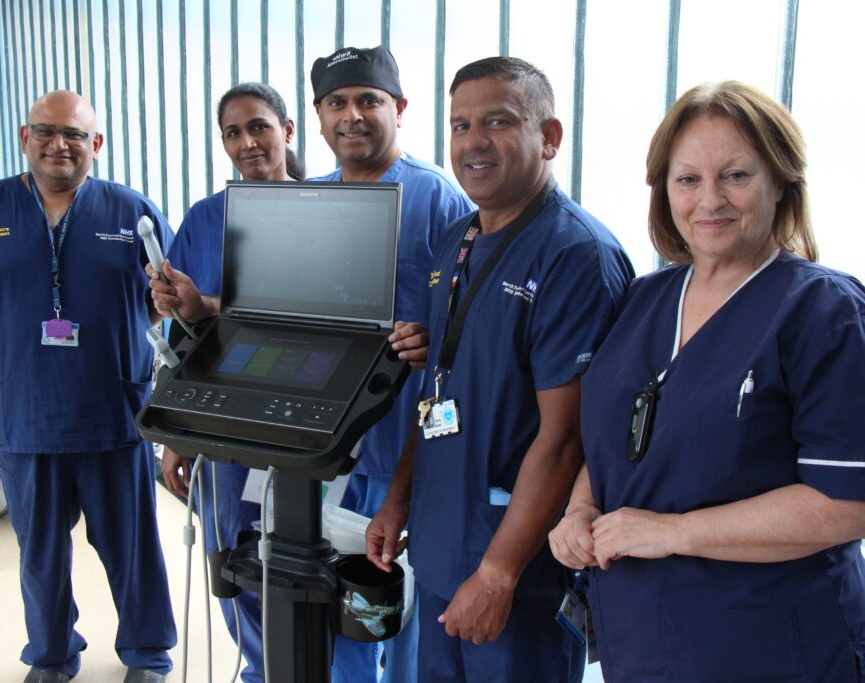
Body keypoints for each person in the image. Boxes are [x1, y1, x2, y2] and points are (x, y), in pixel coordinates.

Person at [548, 81, 865, 682]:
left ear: (781, 182)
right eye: (687, 179)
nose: (709, 200)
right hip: (641, 642)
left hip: (768, 647)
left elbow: (846, 503)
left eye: (736, 176)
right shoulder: (646, 298)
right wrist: (580, 509)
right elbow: (619, 435)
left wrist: (672, 533)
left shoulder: (823, 310)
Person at [366, 57, 634, 683]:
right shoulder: (456, 242)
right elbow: (438, 386)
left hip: (517, 572)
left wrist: (498, 573)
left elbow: (565, 439)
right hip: (441, 547)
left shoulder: (575, 257)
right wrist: (398, 499)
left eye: (497, 121)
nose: (473, 141)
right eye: (460, 125)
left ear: (550, 137)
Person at [0, 91, 176, 683]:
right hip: (25, 411)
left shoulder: (130, 211)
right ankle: (52, 654)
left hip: (111, 408)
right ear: (24, 137)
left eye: (74, 135)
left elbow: (166, 295)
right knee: (40, 554)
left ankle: (147, 654)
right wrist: (4, 323)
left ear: (96, 145)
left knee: (131, 546)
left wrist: (129, 326)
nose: (59, 144)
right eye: (46, 131)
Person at [309, 45, 475, 683]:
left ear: (399, 109)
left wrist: (431, 339)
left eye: (368, 100)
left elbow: (464, 322)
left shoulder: (439, 202)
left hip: (406, 450)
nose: (352, 115)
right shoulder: (312, 201)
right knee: (337, 600)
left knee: (406, 606)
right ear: (319, 117)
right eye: (337, 102)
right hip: (328, 448)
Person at [151, 82, 305, 683]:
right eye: (233, 133)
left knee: (301, 561)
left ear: (287, 132)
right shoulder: (204, 219)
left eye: (259, 127)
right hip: (222, 421)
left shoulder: (330, 208)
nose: (248, 143)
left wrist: (207, 304)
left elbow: (314, 324)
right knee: (229, 559)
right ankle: (262, 669)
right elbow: (186, 341)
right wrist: (178, 432)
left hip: (302, 427)